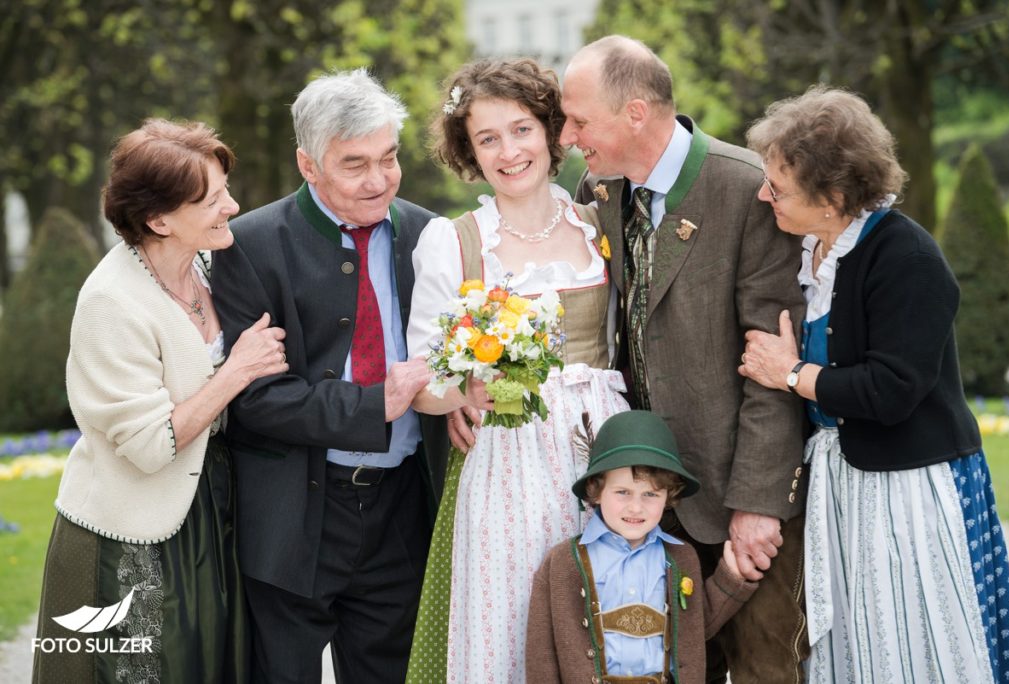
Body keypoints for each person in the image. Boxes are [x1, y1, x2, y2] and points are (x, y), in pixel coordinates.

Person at [740, 84, 1009, 682]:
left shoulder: (907, 258)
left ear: (834, 196)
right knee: (859, 646)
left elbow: (892, 390)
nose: (765, 195)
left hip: (911, 487)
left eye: (780, 188)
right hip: (845, 484)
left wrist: (790, 373)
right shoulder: (811, 250)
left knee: (914, 644)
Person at [555, 35, 809, 681]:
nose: (567, 136)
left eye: (580, 120)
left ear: (635, 114)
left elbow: (772, 368)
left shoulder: (746, 190)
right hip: (652, 507)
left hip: (738, 505)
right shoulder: (601, 189)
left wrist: (757, 506)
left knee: (764, 671)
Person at [210, 69, 444, 683]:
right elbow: (256, 398)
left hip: (402, 509)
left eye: (389, 158)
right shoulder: (248, 245)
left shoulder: (429, 236)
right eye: (355, 164)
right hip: (293, 516)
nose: (379, 180)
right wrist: (375, 404)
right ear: (308, 165)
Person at [33, 118, 287, 683]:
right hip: (130, 539)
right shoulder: (110, 301)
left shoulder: (205, 265)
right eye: (214, 200)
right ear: (158, 219)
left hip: (214, 517)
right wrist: (237, 369)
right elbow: (149, 446)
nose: (234, 207)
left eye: (226, 191)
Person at [404, 58, 630, 683]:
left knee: (605, 618)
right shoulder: (453, 241)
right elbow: (425, 378)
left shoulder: (599, 222)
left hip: (599, 444)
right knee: (510, 619)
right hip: (507, 450)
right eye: (488, 138)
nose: (509, 151)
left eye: (522, 128)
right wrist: (460, 394)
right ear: (468, 151)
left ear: (553, 131)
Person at [526, 410, 758, 683]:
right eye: (623, 492)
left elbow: (693, 629)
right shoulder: (563, 562)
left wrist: (729, 578)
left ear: (668, 496)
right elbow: (541, 654)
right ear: (596, 489)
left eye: (650, 494)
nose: (636, 507)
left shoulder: (681, 558)